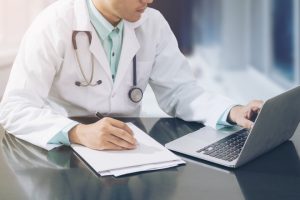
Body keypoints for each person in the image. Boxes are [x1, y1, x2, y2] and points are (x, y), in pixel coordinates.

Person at [0, 0, 263, 151]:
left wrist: (233, 111)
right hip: (64, 153)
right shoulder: (54, 22)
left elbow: (180, 92)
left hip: (128, 148)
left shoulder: (153, 23)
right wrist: (77, 132)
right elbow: (15, 107)